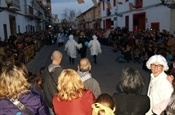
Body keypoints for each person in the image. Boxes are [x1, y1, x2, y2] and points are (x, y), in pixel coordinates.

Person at [41, 50, 63, 115]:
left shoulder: (44, 71)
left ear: (51, 58)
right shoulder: (61, 72)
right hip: (59, 102)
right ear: (60, 59)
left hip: (49, 102)